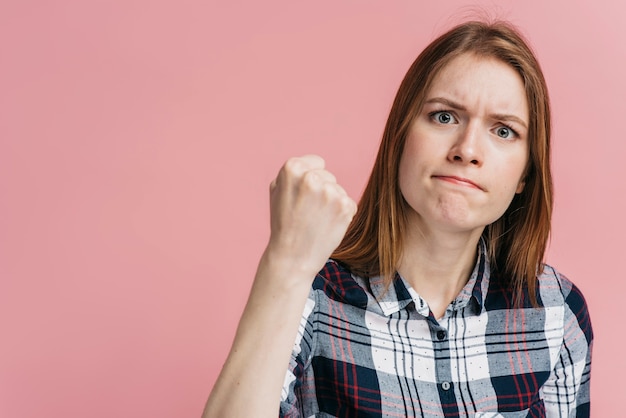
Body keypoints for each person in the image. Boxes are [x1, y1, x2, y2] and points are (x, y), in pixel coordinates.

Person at [203, 20, 593, 417]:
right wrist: (284, 264)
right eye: (444, 117)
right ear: (400, 136)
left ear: (526, 174)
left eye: (504, 130)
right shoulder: (310, 296)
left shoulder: (556, 311)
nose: (467, 149)